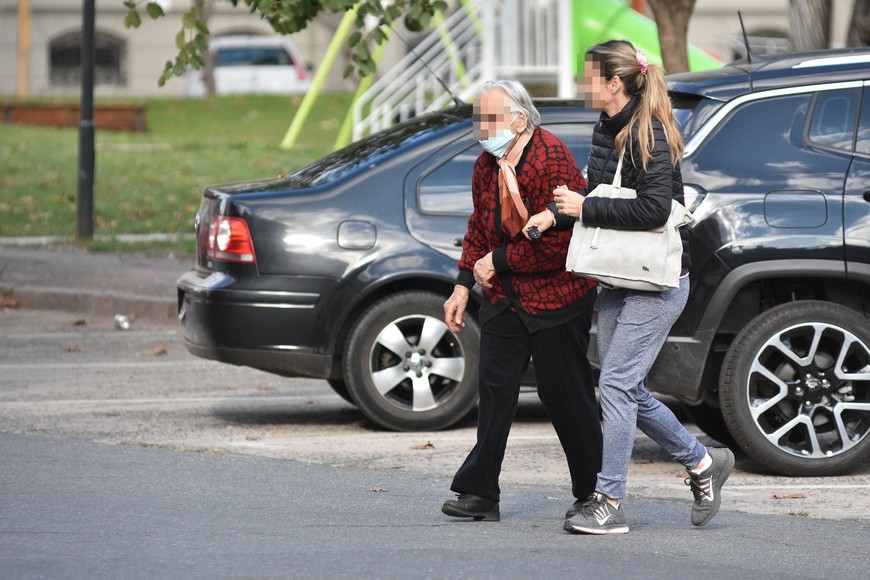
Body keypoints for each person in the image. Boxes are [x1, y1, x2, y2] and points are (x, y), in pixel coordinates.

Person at [524, 40, 735, 534]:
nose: (582, 85)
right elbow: (595, 192)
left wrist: (583, 209)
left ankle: (609, 500)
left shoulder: (649, 133)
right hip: (619, 273)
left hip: (656, 281)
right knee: (625, 386)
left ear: (614, 83)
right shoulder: (609, 126)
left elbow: (655, 211)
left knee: (616, 385)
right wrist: (556, 212)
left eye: (588, 77)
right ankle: (703, 462)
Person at [441, 80, 603, 522]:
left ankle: (594, 492)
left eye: (487, 120)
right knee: (495, 389)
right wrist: (461, 284)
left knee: (565, 394)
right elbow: (480, 225)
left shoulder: (550, 158)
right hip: (506, 296)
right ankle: (480, 492)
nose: (480, 129)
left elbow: (565, 241)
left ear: (517, 119)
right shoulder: (487, 164)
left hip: (558, 296)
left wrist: (500, 259)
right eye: (477, 120)